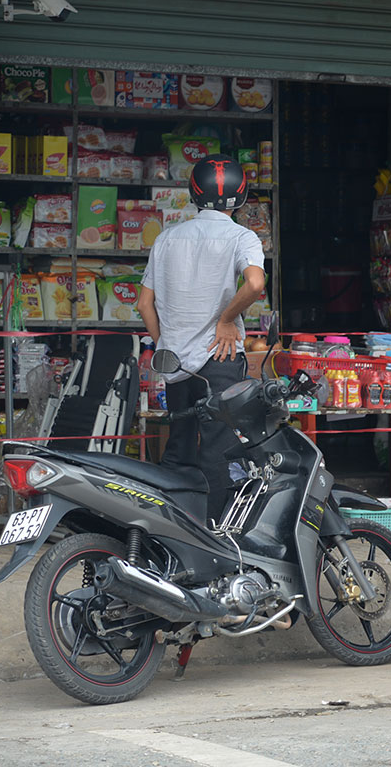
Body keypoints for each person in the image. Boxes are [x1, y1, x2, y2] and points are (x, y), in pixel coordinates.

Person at [139, 155, 266, 519]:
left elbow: (144, 303)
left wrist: (168, 342)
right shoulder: (242, 237)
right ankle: (218, 536)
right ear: (240, 199)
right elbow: (256, 283)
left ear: (193, 194)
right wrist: (227, 319)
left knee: (178, 448)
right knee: (218, 451)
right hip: (220, 359)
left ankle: (172, 528)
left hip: (177, 363)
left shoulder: (166, 238)